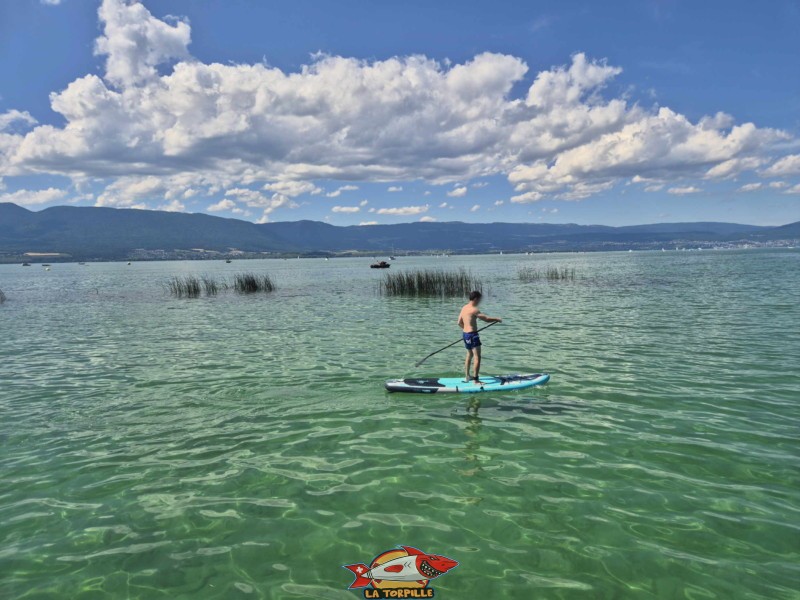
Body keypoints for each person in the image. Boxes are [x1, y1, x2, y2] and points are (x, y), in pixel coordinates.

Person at [457, 291, 502, 384]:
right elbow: (486, 319)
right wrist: (497, 319)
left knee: (469, 354)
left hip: (465, 334)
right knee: (477, 357)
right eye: (479, 300)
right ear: (476, 299)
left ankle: (467, 376)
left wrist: (466, 330)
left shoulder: (464, 308)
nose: (479, 302)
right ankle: (476, 380)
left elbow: (459, 322)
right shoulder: (474, 310)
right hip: (473, 335)